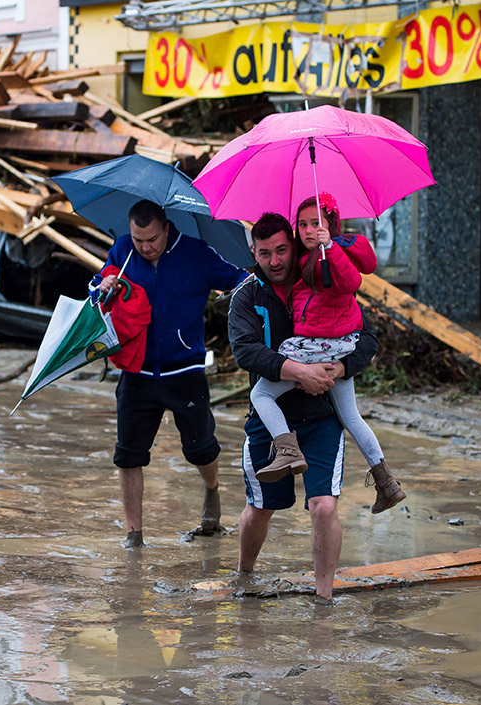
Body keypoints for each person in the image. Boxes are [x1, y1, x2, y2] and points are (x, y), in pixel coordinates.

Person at [228, 212, 379, 603]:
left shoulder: (322, 274)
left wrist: (343, 366)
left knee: (324, 507)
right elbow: (245, 350)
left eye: (281, 250)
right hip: (268, 420)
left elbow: (367, 337)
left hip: (321, 417)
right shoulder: (246, 295)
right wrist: (298, 371)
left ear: (293, 245)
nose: (275, 261)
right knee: (260, 508)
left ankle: (324, 600)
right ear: (253, 254)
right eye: (265, 253)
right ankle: (244, 576)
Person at [93, 199, 250, 548]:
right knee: (128, 455)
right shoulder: (123, 250)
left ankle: (212, 489)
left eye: (151, 239)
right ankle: (134, 535)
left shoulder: (196, 253)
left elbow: (241, 279)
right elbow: (97, 282)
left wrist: (234, 294)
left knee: (200, 447)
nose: (145, 248)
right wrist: (104, 287)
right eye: (138, 240)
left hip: (186, 369)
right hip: (135, 370)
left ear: (167, 228)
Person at [249, 194, 405, 512]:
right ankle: (386, 481)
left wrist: (330, 247)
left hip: (319, 345)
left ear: (331, 225)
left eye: (316, 223)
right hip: (336, 348)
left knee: (260, 395)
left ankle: (287, 450)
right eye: (303, 224)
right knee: (350, 416)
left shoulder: (328, 255)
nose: (308, 230)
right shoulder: (302, 261)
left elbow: (351, 283)